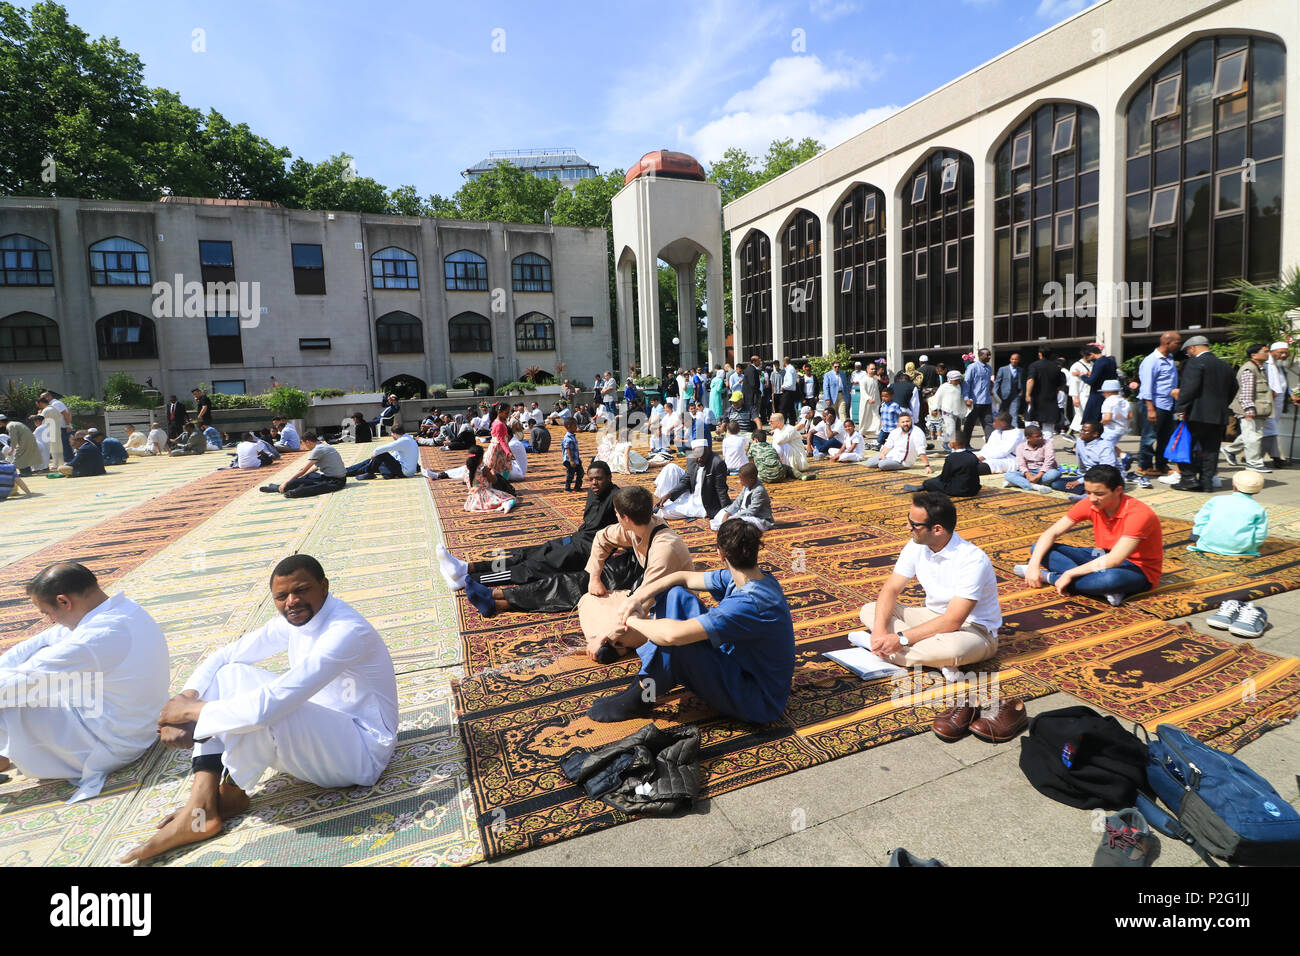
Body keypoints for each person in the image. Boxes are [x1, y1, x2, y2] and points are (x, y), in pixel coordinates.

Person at [123, 554, 397, 863]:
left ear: (324, 586)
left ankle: (214, 802)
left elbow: (267, 708)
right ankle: (206, 805)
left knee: (259, 704)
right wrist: (186, 697)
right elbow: (222, 658)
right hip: (323, 738)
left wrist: (190, 714)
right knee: (230, 675)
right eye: (281, 596)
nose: (292, 601)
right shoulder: (295, 621)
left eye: (302, 590)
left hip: (360, 753)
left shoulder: (346, 630)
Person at [586, 520, 794, 725]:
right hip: (738, 663)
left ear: (720, 554)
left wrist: (632, 620)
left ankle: (644, 695)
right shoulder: (750, 579)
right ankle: (646, 683)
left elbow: (672, 635)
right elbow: (681, 577)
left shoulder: (749, 604)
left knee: (677, 646)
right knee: (675, 595)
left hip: (758, 701)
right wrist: (636, 599)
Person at [0, 562, 168, 804]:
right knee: (27, 680)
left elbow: (17, 685)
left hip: (109, 742)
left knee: (12, 698)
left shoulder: (95, 637)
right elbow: (41, 643)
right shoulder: (121, 609)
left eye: (47, 613)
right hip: (133, 727)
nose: (50, 621)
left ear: (64, 602)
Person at [859, 492, 1003, 671]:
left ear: (937, 529)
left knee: (953, 650)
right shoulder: (916, 545)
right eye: (908, 520)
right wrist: (880, 630)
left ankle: (890, 649)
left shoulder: (972, 560)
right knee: (871, 610)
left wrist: (902, 639)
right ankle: (907, 650)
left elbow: (953, 621)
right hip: (932, 616)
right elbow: (891, 589)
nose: (907, 527)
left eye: (914, 525)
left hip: (973, 629)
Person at [439, 462, 616, 587]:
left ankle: (468, 580)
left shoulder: (617, 498)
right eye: (590, 479)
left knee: (533, 567)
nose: (594, 483)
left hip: (586, 552)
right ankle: (467, 567)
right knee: (525, 554)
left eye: (599, 479)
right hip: (574, 540)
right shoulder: (594, 491)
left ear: (609, 477)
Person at [1017, 464, 1162, 607]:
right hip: (1102, 555)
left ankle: (1050, 577)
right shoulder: (1090, 503)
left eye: (1099, 494)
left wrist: (1069, 573)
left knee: (1109, 580)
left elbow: (1115, 559)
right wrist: (1033, 565)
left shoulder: (1139, 514)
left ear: (1118, 490)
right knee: (1038, 549)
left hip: (1138, 569)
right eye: (1088, 492)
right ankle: (1100, 589)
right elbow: (1051, 533)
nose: (1092, 498)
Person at [1188, 469, 1268, 556]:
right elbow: (1261, 534)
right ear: (1258, 490)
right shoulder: (1258, 509)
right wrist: (1252, 547)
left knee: (1194, 534)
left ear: (1234, 484)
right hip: (1239, 547)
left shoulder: (1217, 499)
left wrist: (1199, 534)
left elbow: (1201, 519)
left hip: (1209, 542)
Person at [1223, 342, 1275, 474]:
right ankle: (1254, 463)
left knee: (1251, 435)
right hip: (1251, 410)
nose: (1268, 353)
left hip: (1259, 410)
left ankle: (1229, 450)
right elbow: (1246, 392)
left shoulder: (1260, 368)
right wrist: (1249, 409)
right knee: (1253, 437)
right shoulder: (1249, 369)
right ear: (1254, 354)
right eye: (1265, 351)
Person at [1136, 331, 1182, 476]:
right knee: (1149, 436)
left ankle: (1162, 464)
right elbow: (1146, 387)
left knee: (1165, 436)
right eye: (1178, 342)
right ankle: (1144, 465)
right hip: (1154, 404)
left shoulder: (1169, 358)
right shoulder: (1151, 361)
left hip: (1167, 404)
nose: (1179, 345)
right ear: (1167, 343)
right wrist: (1150, 408)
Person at [654, 439, 731, 520]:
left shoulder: (717, 463)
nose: (699, 459)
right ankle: (668, 501)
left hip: (704, 503)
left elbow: (721, 489)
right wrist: (669, 495)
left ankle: (690, 511)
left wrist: (727, 509)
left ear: (708, 451)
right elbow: (686, 481)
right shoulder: (691, 459)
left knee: (664, 513)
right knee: (670, 467)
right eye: (696, 457)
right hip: (691, 496)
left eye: (702, 456)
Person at [261, 432, 348, 498]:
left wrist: (286, 481)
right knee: (304, 478)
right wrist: (304, 477)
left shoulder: (317, 450)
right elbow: (316, 467)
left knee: (306, 488)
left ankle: (280, 488)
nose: (303, 446)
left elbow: (303, 470)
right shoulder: (324, 446)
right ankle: (280, 487)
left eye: (302, 443)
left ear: (308, 442)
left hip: (336, 481)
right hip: (333, 477)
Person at [1051, 420, 1118, 492]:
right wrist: (1081, 477)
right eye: (1081, 430)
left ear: (1095, 434)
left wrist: (1079, 481)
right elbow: (1081, 462)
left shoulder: (1105, 447)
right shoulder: (1080, 441)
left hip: (1105, 478)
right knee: (1056, 483)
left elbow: (1106, 471)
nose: (1081, 433)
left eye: (1084, 431)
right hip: (1087, 476)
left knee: (1100, 485)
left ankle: (1090, 492)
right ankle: (1089, 490)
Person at [908, 434, 981, 497]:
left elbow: (945, 478)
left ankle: (924, 486)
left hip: (958, 490)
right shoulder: (973, 456)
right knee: (938, 478)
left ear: (952, 444)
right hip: (973, 490)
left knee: (928, 483)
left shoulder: (951, 458)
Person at [709, 462, 774, 531]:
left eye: (742, 479)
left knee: (739, 523)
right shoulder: (747, 486)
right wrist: (727, 514)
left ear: (751, 479)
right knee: (721, 514)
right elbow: (738, 501)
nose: (740, 482)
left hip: (758, 518)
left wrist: (735, 517)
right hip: (743, 513)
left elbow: (752, 511)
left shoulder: (759, 491)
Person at [864, 412, 933, 474]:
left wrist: (927, 466)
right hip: (890, 455)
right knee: (869, 463)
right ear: (899, 423)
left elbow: (921, 450)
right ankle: (883, 461)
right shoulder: (896, 431)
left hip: (903, 461)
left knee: (882, 464)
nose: (905, 424)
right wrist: (882, 454)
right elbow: (888, 445)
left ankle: (884, 462)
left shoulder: (917, 432)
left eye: (907, 421)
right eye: (903, 422)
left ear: (911, 421)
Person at [345, 425, 419, 480]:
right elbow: (395, 455)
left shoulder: (403, 441)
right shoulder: (409, 439)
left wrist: (374, 454)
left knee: (381, 454)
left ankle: (369, 473)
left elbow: (381, 449)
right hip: (407, 470)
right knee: (371, 461)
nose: (392, 436)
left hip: (404, 472)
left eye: (392, 434)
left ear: (395, 433)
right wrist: (374, 458)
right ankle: (346, 471)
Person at [1024, 347, 1066, 440]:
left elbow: (1031, 380)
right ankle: (1048, 445)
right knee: (1048, 424)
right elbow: (1059, 385)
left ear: (1040, 354)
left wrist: (1028, 394)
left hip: (1036, 398)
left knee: (1030, 420)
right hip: (1050, 399)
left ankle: (1032, 441)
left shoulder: (1034, 365)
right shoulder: (1056, 367)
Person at [1003, 425, 1060, 491]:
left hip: (1045, 472)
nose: (1041, 438)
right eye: (1037, 436)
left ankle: (1019, 483)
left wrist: (1038, 476)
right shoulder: (1020, 447)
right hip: (1029, 471)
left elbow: (1049, 461)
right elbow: (1021, 464)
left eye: (1041, 435)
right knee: (1009, 475)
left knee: (1054, 474)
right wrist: (1028, 475)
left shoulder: (1047, 443)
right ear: (1028, 438)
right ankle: (1033, 486)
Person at [461, 446, 517, 513]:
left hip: (473, 497)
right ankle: (507, 505)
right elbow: (494, 480)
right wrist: (492, 471)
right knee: (510, 498)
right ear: (481, 457)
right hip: (486, 494)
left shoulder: (467, 468)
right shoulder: (483, 469)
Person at [1262, 341, 1291, 469]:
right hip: (1268, 404)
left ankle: (1233, 450)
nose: (1284, 355)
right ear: (1272, 352)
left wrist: (1291, 394)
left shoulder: (1280, 366)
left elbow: (1283, 383)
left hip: (1278, 405)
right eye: (1281, 352)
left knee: (1267, 432)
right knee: (1272, 431)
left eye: (1286, 352)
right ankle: (1277, 457)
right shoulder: (1265, 365)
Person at [961, 348, 995, 443]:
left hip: (986, 401)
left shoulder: (989, 368)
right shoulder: (972, 367)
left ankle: (990, 444)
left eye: (990, 355)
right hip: (974, 401)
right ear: (980, 356)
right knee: (970, 424)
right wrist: (966, 398)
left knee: (988, 423)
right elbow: (967, 382)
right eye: (987, 355)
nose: (989, 357)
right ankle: (965, 444)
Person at [767, 413, 812, 479]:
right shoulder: (777, 430)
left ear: (778, 422)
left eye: (771, 421)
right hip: (789, 455)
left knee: (779, 444)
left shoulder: (790, 429)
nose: (769, 423)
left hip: (797, 458)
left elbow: (780, 441)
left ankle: (781, 466)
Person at [1080, 344, 1116, 424]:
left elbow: (1091, 381)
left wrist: (1082, 376)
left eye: (1087, 357)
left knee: (1091, 420)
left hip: (1097, 394)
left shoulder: (1098, 363)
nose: (1087, 359)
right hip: (1110, 393)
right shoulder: (1111, 361)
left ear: (1092, 354)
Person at [931, 370, 966, 446]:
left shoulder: (959, 386)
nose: (957, 381)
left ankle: (954, 444)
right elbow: (937, 398)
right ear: (950, 380)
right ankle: (946, 444)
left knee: (956, 429)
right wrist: (935, 409)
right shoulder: (944, 387)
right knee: (950, 428)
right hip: (947, 411)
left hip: (956, 411)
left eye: (958, 380)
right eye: (955, 380)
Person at [1098, 380, 1129, 461]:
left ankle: (1113, 462)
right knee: (1109, 444)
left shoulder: (1108, 401)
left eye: (1103, 392)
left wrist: (1099, 425)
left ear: (1108, 392)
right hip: (1122, 428)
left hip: (1111, 428)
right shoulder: (1124, 401)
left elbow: (1107, 418)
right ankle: (1123, 456)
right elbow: (1130, 416)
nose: (1103, 394)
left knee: (1103, 445)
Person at [1067, 346, 1095, 437]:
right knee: (1082, 414)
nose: (1091, 356)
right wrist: (1075, 397)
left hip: (1090, 393)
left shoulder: (1093, 364)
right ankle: (1072, 432)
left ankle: (1073, 433)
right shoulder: (1076, 366)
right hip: (1081, 394)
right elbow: (1073, 383)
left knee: (1083, 415)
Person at [994, 351, 1024, 426]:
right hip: (1003, 395)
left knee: (1014, 413)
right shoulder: (1003, 369)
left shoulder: (1021, 370)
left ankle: (1014, 429)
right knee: (1002, 413)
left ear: (1019, 360)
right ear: (1010, 360)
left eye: (1016, 359)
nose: (1014, 361)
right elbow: (997, 382)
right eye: (1012, 359)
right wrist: (996, 394)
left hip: (1015, 395)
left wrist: (1021, 392)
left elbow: (1023, 382)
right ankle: (999, 427)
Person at [36, 397, 64, 470]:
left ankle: (55, 465)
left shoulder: (46, 410)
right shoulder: (54, 409)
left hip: (48, 432)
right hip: (57, 430)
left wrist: (39, 413)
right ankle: (60, 463)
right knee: (58, 447)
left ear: (41, 403)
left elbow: (39, 419)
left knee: (50, 448)